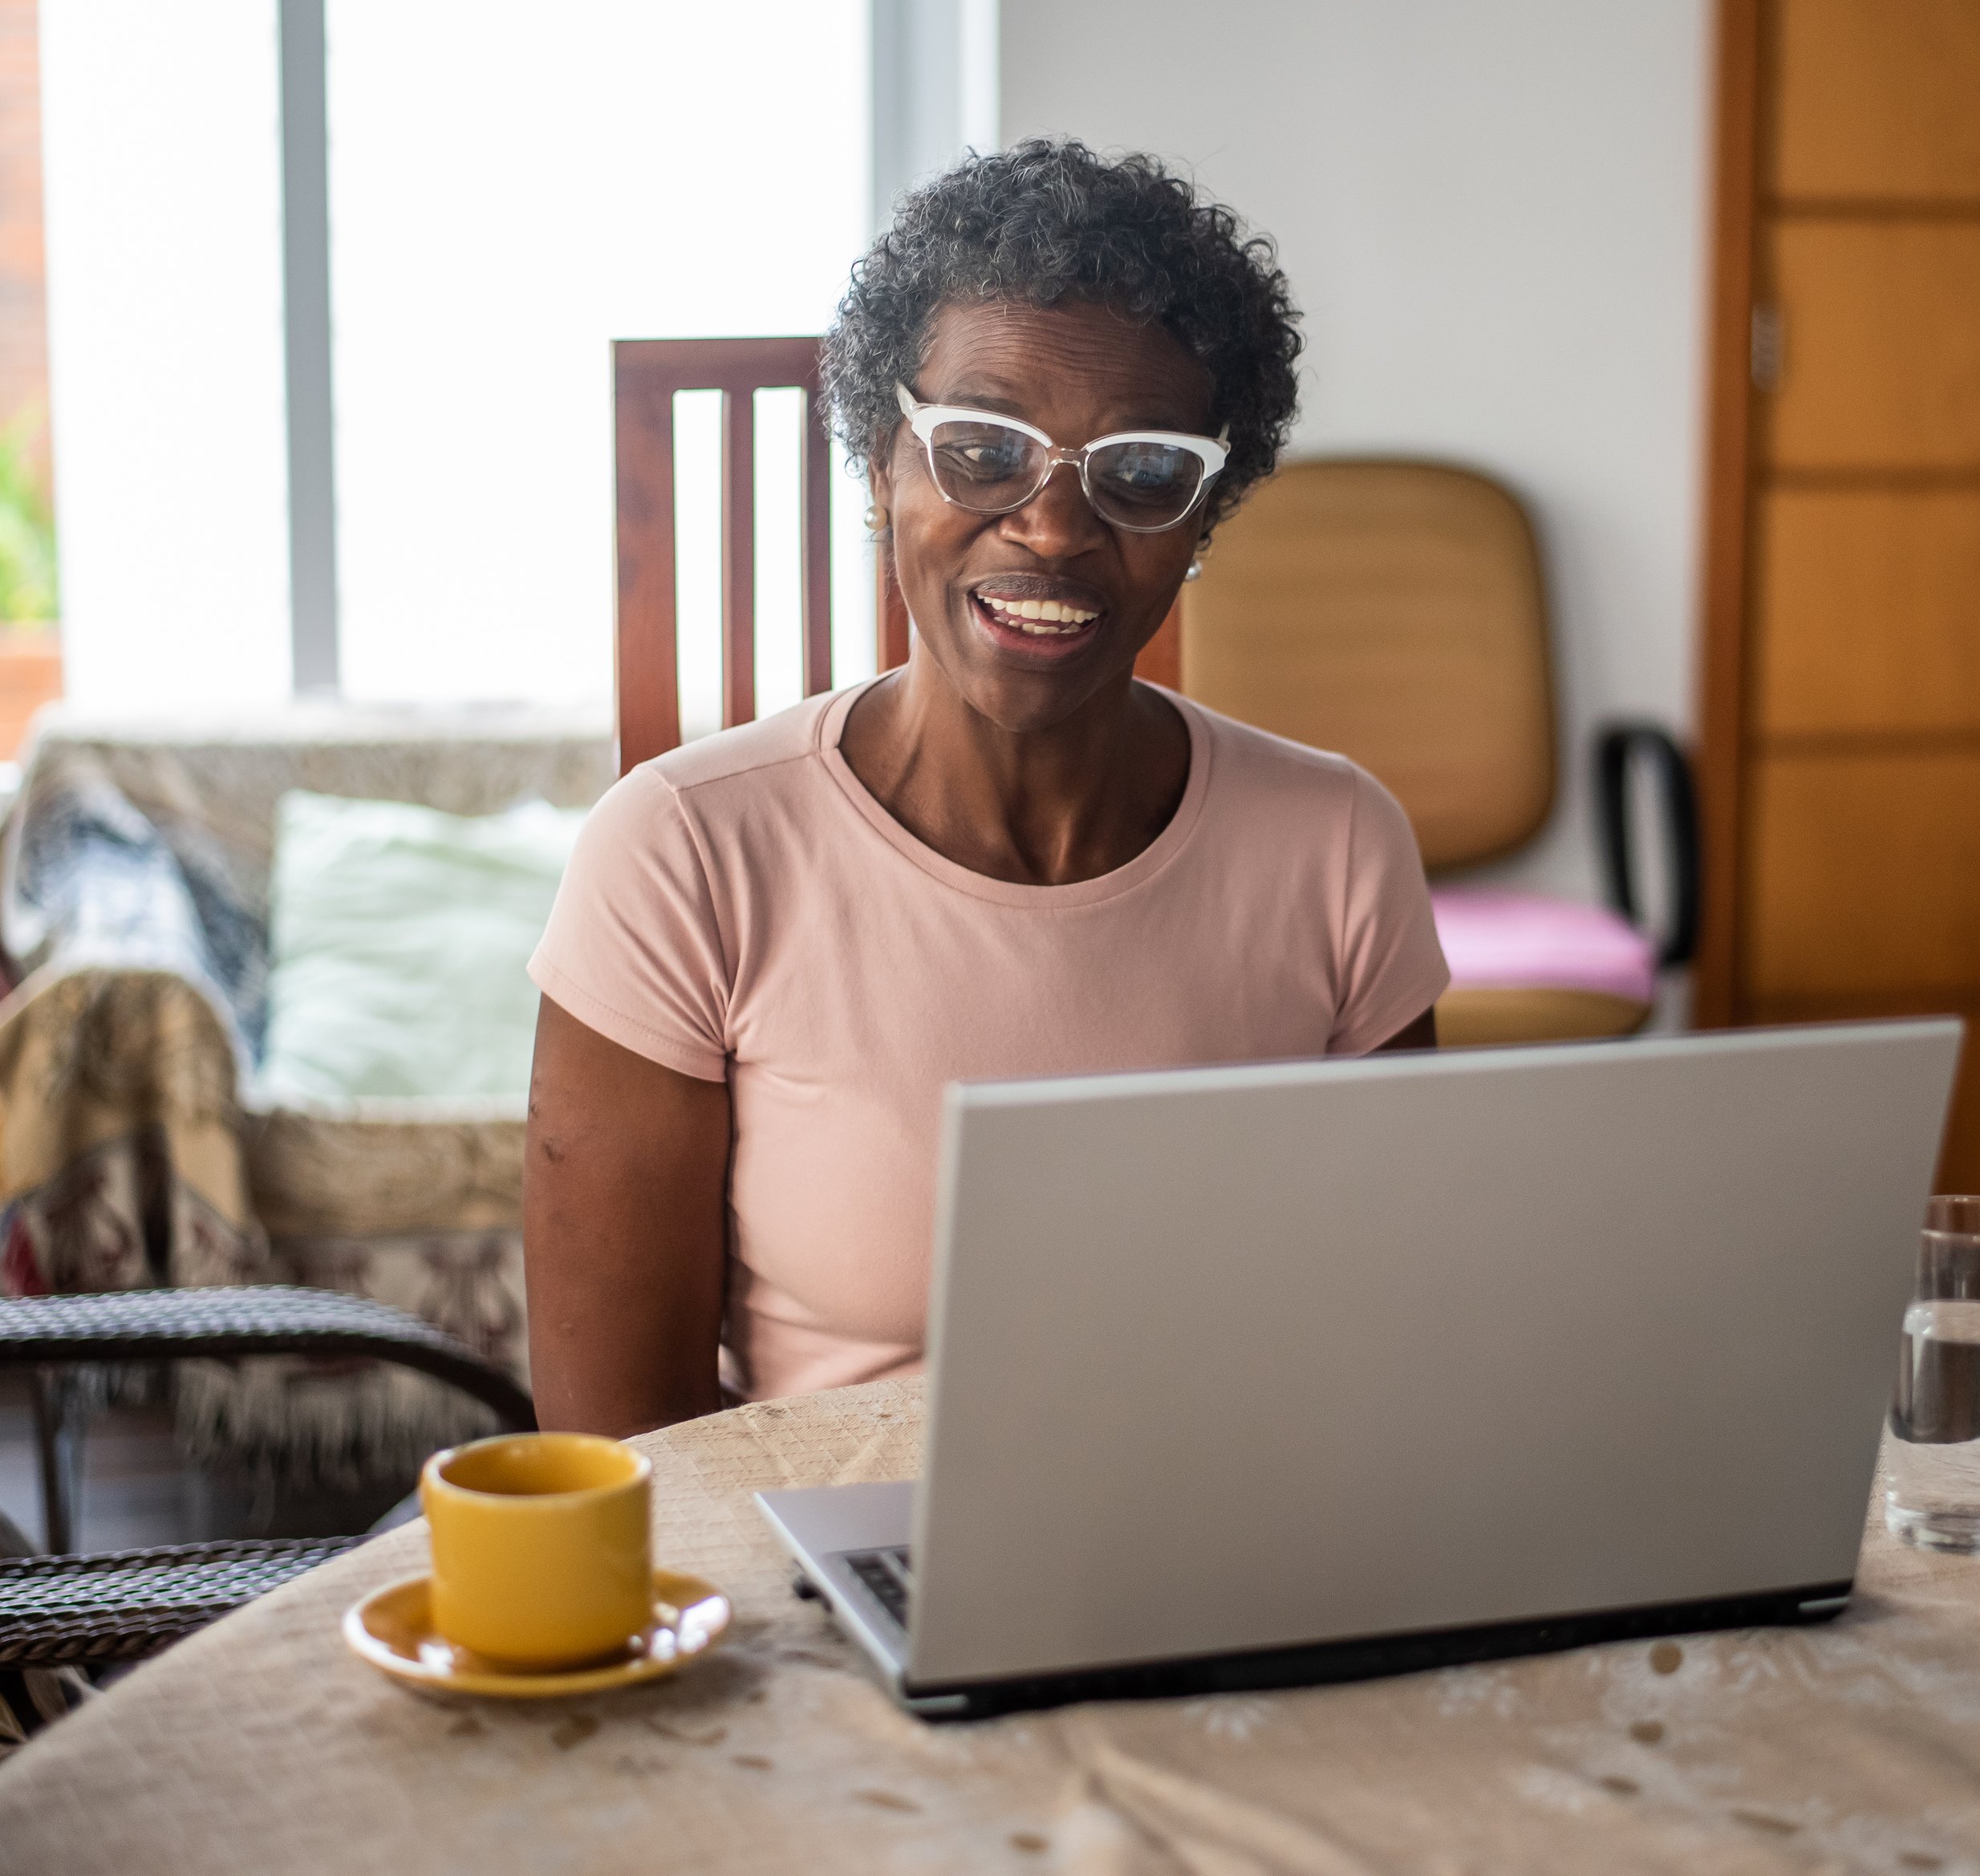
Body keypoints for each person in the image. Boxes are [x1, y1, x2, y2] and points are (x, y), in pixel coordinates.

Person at [524, 142, 1449, 1434]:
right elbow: (619, 1461)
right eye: (980, 451)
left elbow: (1391, 1352)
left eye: (1138, 473)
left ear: (1202, 516)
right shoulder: (684, 858)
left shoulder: (1337, 848)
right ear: (877, 468)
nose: (1056, 528)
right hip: (827, 1600)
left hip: (1238, 1565)